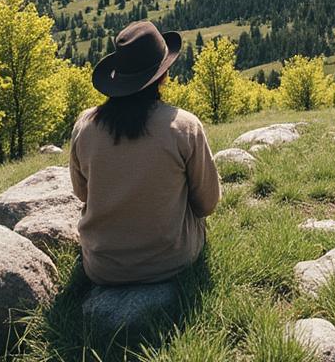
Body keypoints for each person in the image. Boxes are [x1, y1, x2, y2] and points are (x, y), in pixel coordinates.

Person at [68, 20, 221, 285]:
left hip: (103, 268)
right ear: (163, 75)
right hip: (172, 262)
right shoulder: (184, 126)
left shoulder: (85, 126)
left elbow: (82, 193)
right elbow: (207, 203)